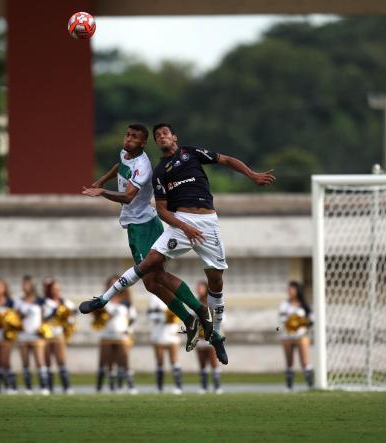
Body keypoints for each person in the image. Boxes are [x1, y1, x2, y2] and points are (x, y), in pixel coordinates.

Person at [80, 122, 276, 365]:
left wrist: (253, 175)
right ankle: (107, 300)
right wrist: (100, 182)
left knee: (211, 280)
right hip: (180, 223)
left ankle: (214, 331)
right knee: (151, 278)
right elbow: (144, 192)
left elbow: (224, 160)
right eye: (157, 135)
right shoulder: (160, 170)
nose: (161, 137)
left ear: (174, 137)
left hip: (195, 223)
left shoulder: (183, 156)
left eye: (165, 133)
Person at [81, 123, 211, 353]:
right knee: (151, 283)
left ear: (143, 143)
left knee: (156, 275)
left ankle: (198, 310)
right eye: (127, 135)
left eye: (134, 137)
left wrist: (102, 192)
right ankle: (189, 320)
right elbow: (118, 166)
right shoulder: (126, 153)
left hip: (145, 225)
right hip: (134, 226)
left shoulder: (143, 165)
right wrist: (102, 180)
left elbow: (129, 197)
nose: (128, 139)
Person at [94, 275, 137, 394]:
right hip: (106, 335)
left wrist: (129, 331)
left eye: (116, 284)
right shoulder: (102, 300)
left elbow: (133, 318)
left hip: (121, 336)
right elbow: (96, 318)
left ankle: (130, 386)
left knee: (124, 361)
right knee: (105, 362)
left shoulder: (126, 302)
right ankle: (100, 388)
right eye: (111, 284)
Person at [15, 275, 49, 395]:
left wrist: (43, 328)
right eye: (23, 284)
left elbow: (47, 314)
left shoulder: (40, 300)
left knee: (40, 362)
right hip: (23, 335)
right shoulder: (19, 301)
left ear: (31, 286)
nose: (24, 286)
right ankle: (28, 388)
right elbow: (15, 317)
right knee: (25, 363)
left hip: (36, 336)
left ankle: (44, 387)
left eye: (26, 284)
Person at [278, 281, 314, 392]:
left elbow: (312, 320)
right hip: (287, 337)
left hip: (301, 336)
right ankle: (289, 386)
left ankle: (311, 384)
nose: (290, 292)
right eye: (289, 290)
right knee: (289, 363)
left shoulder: (304, 306)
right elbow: (280, 321)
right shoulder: (284, 305)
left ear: (297, 290)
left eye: (292, 289)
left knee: (304, 362)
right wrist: (289, 322)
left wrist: (302, 322)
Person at [42, 279, 76, 394]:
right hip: (46, 335)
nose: (57, 291)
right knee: (47, 362)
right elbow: (44, 318)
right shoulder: (44, 302)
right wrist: (54, 312)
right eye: (54, 289)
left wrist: (67, 316)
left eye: (58, 289)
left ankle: (66, 387)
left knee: (61, 360)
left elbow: (74, 310)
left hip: (58, 334)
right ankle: (48, 387)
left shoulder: (63, 302)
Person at [147, 293, 183, 394]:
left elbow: (180, 312)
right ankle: (159, 388)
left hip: (172, 332)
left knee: (174, 360)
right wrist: (162, 317)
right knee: (159, 361)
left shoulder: (175, 295)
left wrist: (171, 316)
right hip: (158, 333)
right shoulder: (154, 297)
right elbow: (149, 314)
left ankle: (178, 387)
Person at [194, 281, 222, 394]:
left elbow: (220, 317)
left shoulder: (212, 303)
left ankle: (217, 386)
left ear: (206, 289)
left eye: (201, 287)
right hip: (200, 338)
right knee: (202, 363)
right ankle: (204, 386)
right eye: (198, 288)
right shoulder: (195, 303)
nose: (199, 290)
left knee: (213, 362)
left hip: (211, 337)